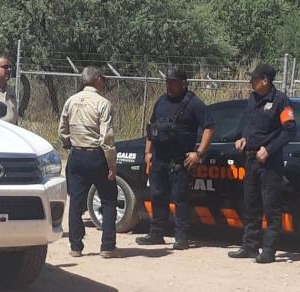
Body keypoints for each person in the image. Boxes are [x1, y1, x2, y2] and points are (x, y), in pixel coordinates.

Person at [136, 66, 214, 250]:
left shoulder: (194, 103)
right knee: (157, 196)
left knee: (181, 199)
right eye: (167, 82)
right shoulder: (161, 101)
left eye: (172, 82)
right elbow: (151, 128)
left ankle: (181, 238)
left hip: (181, 161)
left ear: (183, 83)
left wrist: (199, 153)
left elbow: (209, 127)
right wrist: (148, 153)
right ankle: (156, 233)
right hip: (159, 158)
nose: (169, 85)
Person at [228, 63, 297, 263]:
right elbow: (248, 125)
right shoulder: (253, 99)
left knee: (271, 208)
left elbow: (289, 130)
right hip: (250, 160)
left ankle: (269, 250)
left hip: (269, 162)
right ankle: (250, 246)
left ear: (265, 80)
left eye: (254, 78)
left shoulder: (280, 101)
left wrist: (269, 149)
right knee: (251, 205)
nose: (251, 81)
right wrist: (242, 138)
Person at [59, 66, 118, 258]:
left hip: (76, 155)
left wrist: (69, 144)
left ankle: (75, 246)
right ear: (98, 79)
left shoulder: (71, 100)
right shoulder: (103, 103)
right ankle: (107, 246)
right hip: (97, 155)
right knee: (109, 199)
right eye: (103, 78)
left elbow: (62, 130)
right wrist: (111, 164)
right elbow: (106, 137)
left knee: (76, 200)